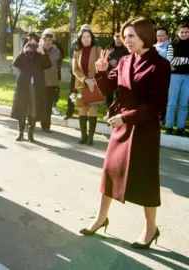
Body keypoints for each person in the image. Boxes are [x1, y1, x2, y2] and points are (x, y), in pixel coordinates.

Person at [81, 17, 171, 250]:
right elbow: (110, 88)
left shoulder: (159, 65)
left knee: (145, 179)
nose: (126, 40)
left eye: (131, 36)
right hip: (121, 127)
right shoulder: (123, 61)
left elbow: (156, 105)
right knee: (110, 172)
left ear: (145, 35)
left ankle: (150, 228)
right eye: (125, 36)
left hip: (144, 128)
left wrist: (126, 117)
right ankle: (101, 218)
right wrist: (101, 72)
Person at [11, 33, 52, 142]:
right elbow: (15, 63)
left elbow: (48, 65)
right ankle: (20, 133)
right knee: (22, 109)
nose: (33, 45)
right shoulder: (24, 54)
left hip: (36, 86)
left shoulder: (40, 54)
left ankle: (30, 133)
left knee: (33, 109)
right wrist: (23, 51)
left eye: (35, 42)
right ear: (26, 43)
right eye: (30, 42)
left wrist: (43, 53)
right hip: (23, 86)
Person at [72, 29, 102, 146]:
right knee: (82, 110)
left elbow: (102, 65)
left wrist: (93, 80)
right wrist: (85, 79)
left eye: (88, 37)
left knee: (93, 109)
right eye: (84, 37)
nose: (86, 39)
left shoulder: (97, 49)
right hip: (80, 84)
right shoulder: (76, 51)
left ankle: (91, 137)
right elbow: (75, 69)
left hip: (94, 84)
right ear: (80, 39)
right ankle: (83, 136)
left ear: (92, 38)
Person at [65, 24, 101, 120]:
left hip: (92, 77)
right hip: (78, 74)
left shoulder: (96, 43)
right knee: (73, 92)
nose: (86, 34)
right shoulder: (75, 43)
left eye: (88, 31)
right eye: (83, 31)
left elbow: (99, 59)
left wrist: (93, 78)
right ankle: (69, 111)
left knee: (92, 104)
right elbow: (72, 56)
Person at [165, 23, 189, 136]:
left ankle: (181, 127)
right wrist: (186, 60)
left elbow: (175, 61)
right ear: (178, 33)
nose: (184, 34)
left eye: (186, 32)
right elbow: (170, 60)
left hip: (188, 77)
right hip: (175, 76)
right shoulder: (171, 45)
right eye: (182, 32)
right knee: (172, 103)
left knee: (184, 104)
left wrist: (181, 59)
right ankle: (169, 126)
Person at [104, 31, 130, 120]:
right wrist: (109, 62)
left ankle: (118, 111)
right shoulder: (109, 47)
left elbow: (128, 59)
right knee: (109, 94)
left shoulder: (126, 49)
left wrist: (117, 61)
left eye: (120, 37)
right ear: (113, 37)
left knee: (119, 94)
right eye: (117, 36)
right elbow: (104, 58)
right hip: (110, 73)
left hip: (122, 75)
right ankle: (109, 111)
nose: (118, 39)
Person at [41, 31, 61, 132]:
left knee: (48, 105)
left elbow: (50, 61)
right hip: (40, 83)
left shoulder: (55, 51)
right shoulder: (37, 51)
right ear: (42, 41)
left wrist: (42, 52)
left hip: (51, 83)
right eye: (45, 40)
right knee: (38, 103)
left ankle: (46, 126)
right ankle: (31, 122)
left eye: (50, 40)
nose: (48, 42)